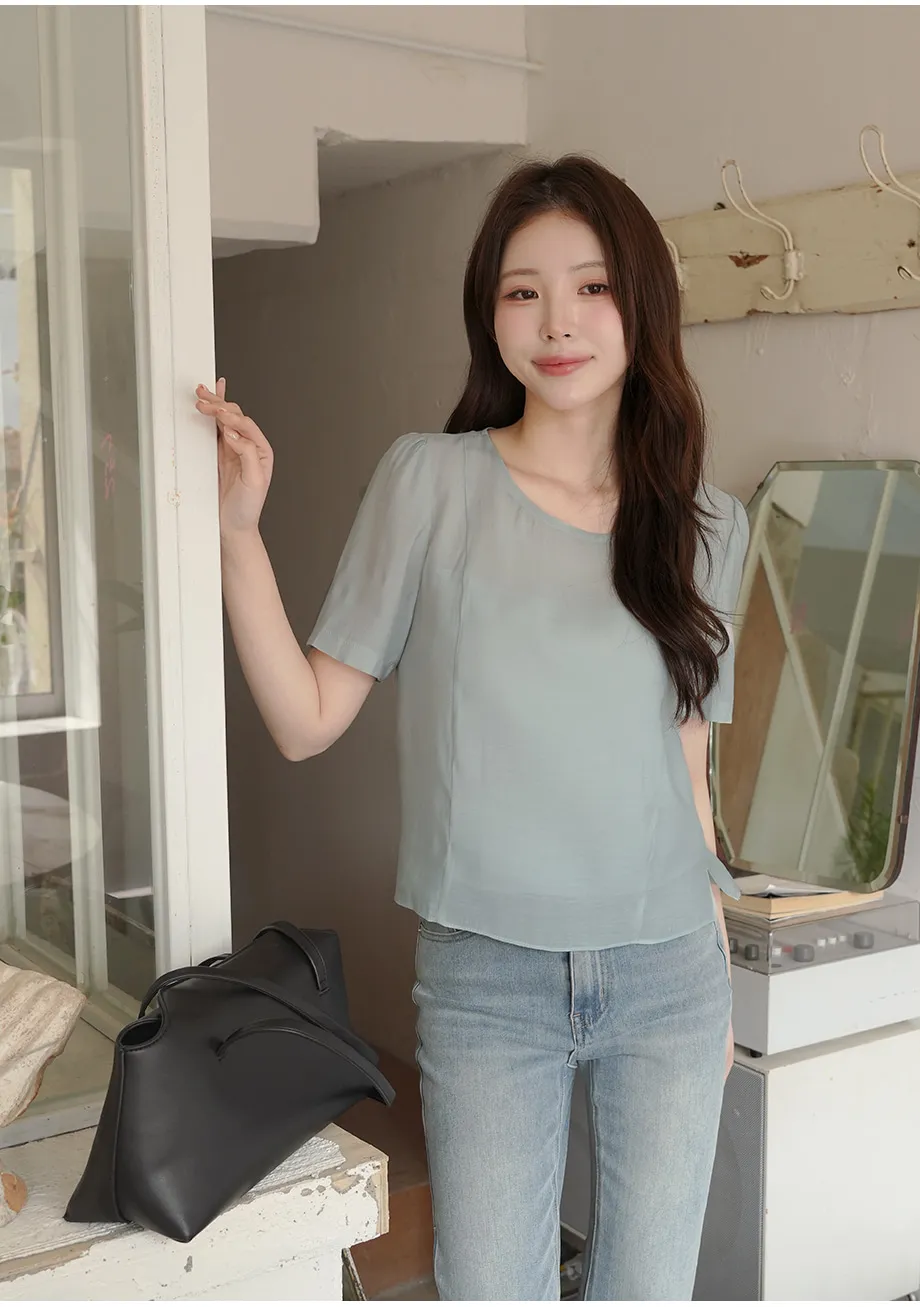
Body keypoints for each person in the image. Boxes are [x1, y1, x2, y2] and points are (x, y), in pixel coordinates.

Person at [195, 153, 749, 1302]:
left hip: (669, 971)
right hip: (489, 976)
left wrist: (716, 951)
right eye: (521, 291)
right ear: (487, 314)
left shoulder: (704, 524)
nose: (556, 321)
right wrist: (238, 534)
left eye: (590, 287)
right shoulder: (430, 483)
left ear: (641, 303)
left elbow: (685, 763)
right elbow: (304, 720)